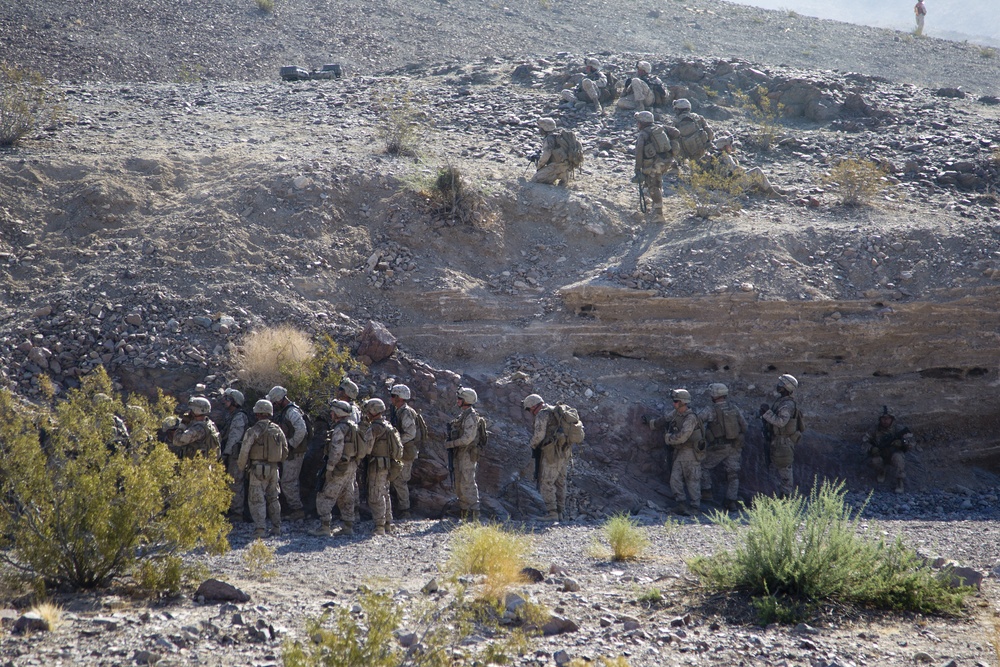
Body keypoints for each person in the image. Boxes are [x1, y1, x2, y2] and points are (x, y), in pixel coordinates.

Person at [644, 389, 705, 516]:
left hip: (690, 453)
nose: (674, 404)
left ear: (683, 402)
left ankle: (695, 508)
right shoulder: (677, 413)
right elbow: (665, 419)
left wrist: (668, 438)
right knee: (675, 479)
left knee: (692, 480)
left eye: (676, 402)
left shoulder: (690, 417)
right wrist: (651, 423)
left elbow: (683, 436)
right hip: (680, 452)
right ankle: (681, 504)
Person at [237, 399, 288, 539]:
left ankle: (260, 530)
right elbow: (285, 451)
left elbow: (244, 450)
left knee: (256, 499)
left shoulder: (253, 430)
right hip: (273, 469)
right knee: (273, 498)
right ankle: (276, 527)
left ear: (258, 413)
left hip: (257, 469)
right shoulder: (277, 430)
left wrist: (241, 467)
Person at [311, 400, 363, 537]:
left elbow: (336, 450)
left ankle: (324, 527)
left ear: (338, 413)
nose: (331, 414)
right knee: (347, 495)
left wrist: (330, 468)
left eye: (333, 411)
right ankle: (348, 526)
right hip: (351, 465)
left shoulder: (340, 428)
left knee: (326, 494)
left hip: (340, 466)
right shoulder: (353, 426)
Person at [697, 383, 747, 511]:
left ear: (715, 394)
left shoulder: (711, 409)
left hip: (718, 447)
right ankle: (731, 501)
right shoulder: (734, 408)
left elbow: (698, 421)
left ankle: (706, 493)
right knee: (733, 474)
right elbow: (744, 426)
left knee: (702, 465)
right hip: (735, 447)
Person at [523, 394, 572, 521]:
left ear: (534, 406)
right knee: (560, 482)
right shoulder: (555, 411)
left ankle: (552, 513)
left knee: (547, 482)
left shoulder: (542, 414)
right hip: (565, 450)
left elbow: (539, 436)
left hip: (552, 452)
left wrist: (532, 445)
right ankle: (560, 513)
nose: (530, 412)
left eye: (529, 409)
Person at [361, 398, 402, 535]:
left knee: (375, 494)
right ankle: (388, 523)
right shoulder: (387, 425)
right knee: (385, 492)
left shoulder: (374, 428)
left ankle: (379, 526)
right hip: (387, 464)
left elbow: (366, 449)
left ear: (373, 411)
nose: (366, 413)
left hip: (377, 465)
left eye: (368, 411)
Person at [267, 385, 308, 521]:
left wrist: (290, 444)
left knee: (288, 482)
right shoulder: (288, 411)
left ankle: (297, 510)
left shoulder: (292, 412)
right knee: (288, 481)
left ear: (279, 400)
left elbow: (301, 430)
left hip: (294, 453)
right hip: (291, 452)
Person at [760, 374, 804, 498]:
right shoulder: (782, 402)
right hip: (777, 441)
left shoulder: (787, 405)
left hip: (783, 442)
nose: (778, 386)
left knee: (784, 471)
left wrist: (766, 413)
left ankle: (786, 498)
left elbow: (780, 422)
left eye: (781, 384)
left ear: (786, 387)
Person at [444, 387, 483, 521]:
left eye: (460, 398)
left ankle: (475, 513)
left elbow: (468, 439)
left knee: (468, 482)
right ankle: (465, 513)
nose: (457, 401)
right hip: (461, 453)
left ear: (466, 400)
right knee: (460, 482)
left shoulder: (471, 417)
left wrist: (451, 444)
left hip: (468, 454)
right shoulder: (464, 415)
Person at [713, 135, 789, 197]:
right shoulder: (725, 157)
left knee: (762, 184)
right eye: (728, 145)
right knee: (757, 171)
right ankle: (773, 194)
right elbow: (735, 170)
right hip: (732, 185)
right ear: (723, 146)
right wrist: (744, 170)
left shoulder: (716, 157)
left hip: (725, 186)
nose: (731, 147)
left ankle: (772, 190)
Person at [633, 111, 675, 222]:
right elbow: (676, 132)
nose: (637, 124)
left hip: (654, 163)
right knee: (656, 179)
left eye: (638, 122)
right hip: (666, 161)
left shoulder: (643, 134)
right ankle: (655, 203)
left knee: (653, 186)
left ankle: (659, 214)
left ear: (642, 123)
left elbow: (639, 153)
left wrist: (637, 169)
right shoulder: (660, 128)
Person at [863, 407, 915, 493]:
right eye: (883, 418)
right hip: (881, 455)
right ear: (880, 419)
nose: (885, 421)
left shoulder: (898, 428)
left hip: (894, 454)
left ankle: (899, 482)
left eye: (888, 418)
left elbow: (912, 442)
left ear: (892, 419)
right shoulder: (874, 430)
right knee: (875, 461)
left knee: (898, 458)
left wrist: (902, 442)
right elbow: (864, 442)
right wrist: (872, 448)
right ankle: (882, 471)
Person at [388, 384, 421, 519]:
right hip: (401, 451)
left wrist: (396, 441)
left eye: (393, 396)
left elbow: (410, 433)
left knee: (400, 481)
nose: (391, 399)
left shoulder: (406, 412)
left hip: (405, 452)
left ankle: (405, 510)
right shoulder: (399, 411)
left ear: (399, 398)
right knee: (396, 480)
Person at [219, 388, 249, 520]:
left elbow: (234, 438)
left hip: (235, 455)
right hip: (231, 454)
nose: (224, 401)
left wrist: (225, 454)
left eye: (227, 399)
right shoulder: (230, 416)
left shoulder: (239, 417)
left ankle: (237, 513)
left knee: (235, 482)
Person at [531, 118, 575, 186]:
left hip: (555, 167)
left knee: (535, 180)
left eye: (541, 128)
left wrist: (539, 166)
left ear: (545, 128)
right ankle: (563, 177)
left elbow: (546, 155)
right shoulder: (559, 137)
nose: (539, 130)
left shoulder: (549, 139)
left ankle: (552, 176)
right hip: (566, 167)